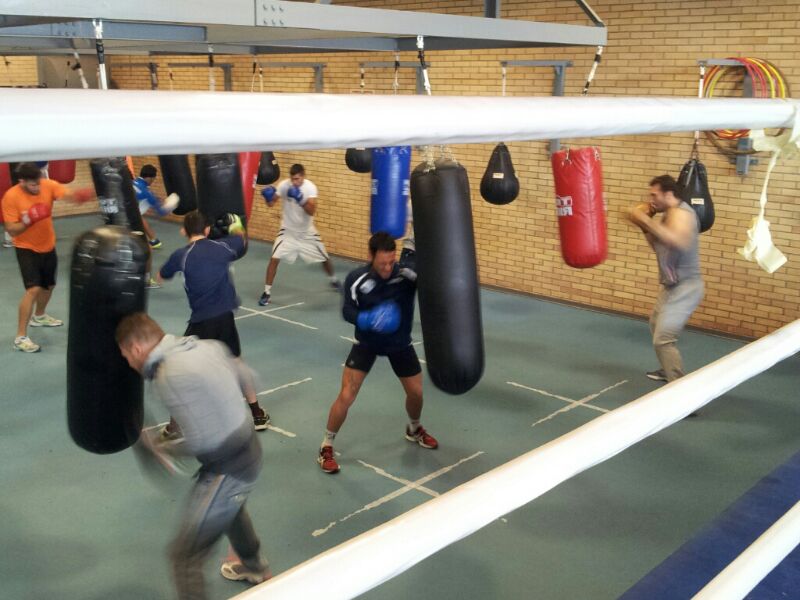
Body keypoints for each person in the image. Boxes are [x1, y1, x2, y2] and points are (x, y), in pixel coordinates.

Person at [115, 313, 271, 599]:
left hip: (228, 468)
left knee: (184, 557)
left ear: (136, 349)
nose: (128, 363)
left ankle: (255, 566)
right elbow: (249, 376)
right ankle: (256, 568)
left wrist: (160, 448)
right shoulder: (206, 346)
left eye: (126, 356)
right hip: (251, 450)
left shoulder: (168, 375)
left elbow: (205, 441)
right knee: (233, 511)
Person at [318, 232, 437, 474]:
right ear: (371, 256)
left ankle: (414, 428)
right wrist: (365, 318)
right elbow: (347, 311)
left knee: (416, 393)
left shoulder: (406, 275)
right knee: (347, 395)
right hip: (368, 343)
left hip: (399, 343)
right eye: (382, 263)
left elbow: (432, 289)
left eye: (391, 262)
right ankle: (326, 445)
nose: (387, 268)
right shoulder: (356, 278)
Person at [158, 210, 269, 433]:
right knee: (237, 364)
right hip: (225, 318)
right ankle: (257, 414)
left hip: (201, 321)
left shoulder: (181, 255)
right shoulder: (223, 247)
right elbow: (241, 238)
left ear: (183, 231)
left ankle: (173, 428)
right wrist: (236, 224)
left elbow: (162, 276)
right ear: (207, 229)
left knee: (184, 370)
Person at [1, 162, 93, 352]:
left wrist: (79, 196)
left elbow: (67, 195)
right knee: (33, 289)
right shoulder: (11, 197)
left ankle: (39, 316)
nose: (36, 187)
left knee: (49, 285)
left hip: (47, 244)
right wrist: (28, 220)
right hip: (26, 247)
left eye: (38, 183)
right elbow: (11, 229)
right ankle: (20, 337)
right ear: (22, 181)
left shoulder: (46, 185)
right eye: (32, 184)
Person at [627, 174, 705, 389]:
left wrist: (644, 219)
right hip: (671, 285)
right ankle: (667, 368)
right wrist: (644, 226)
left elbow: (678, 241)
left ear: (668, 194)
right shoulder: (667, 215)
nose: (651, 199)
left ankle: (680, 393)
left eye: (654, 195)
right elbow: (660, 248)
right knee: (655, 323)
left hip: (687, 287)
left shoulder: (682, 215)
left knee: (663, 338)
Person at [258, 163, 340, 305]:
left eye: (297, 179)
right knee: (274, 258)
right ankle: (266, 292)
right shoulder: (284, 185)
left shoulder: (310, 188)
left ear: (303, 176)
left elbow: (311, 211)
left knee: (324, 257)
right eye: (292, 179)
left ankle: (333, 280)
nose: (294, 182)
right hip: (288, 231)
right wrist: (267, 198)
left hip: (307, 232)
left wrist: (300, 198)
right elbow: (272, 203)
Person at [133, 164, 179, 250]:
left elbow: (147, 195)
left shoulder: (134, 182)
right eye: (154, 179)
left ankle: (154, 241)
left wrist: (158, 199)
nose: (153, 181)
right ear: (151, 178)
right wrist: (171, 206)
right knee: (138, 218)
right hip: (130, 218)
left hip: (121, 210)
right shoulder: (147, 193)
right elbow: (161, 212)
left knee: (139, 217)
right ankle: (150, 242)